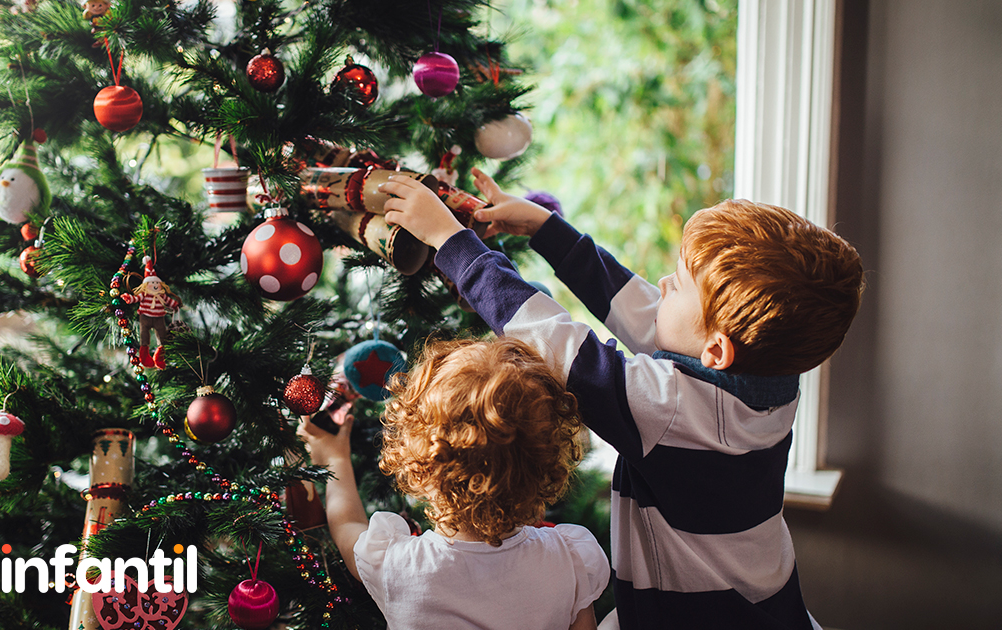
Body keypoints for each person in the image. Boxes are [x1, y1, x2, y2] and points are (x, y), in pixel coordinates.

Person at [377, 168, 864, 630]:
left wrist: (451, 241)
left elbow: (556, 341)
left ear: (716, 351)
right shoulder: (768, 380)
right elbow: (641, 309)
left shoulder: (671, 409)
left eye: (678, 285)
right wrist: (547, 229)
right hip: (769, 604)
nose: (663, 286)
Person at [299, 336, 609, 630]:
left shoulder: (398, 566)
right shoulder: (570, 560)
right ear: (544, 464)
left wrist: (335, 458)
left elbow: (346, 525)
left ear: (420, 468)